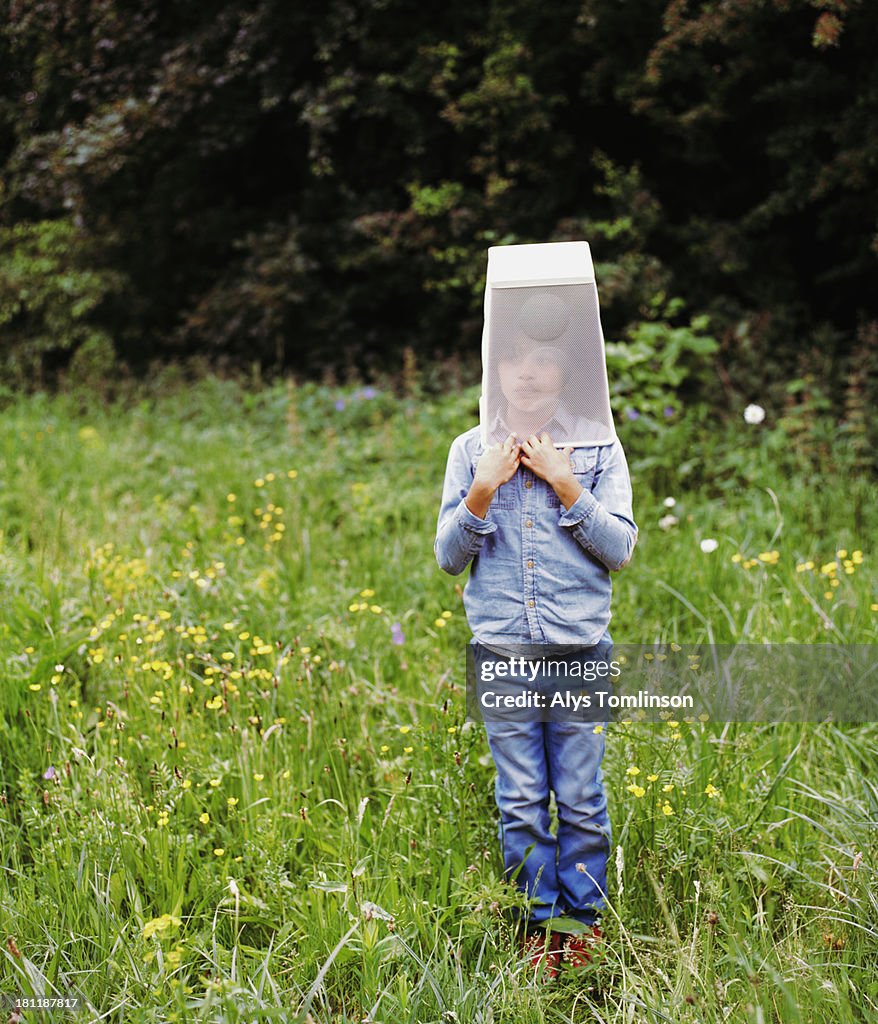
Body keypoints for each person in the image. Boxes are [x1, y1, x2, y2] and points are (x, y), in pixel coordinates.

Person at [434, 361, 638, 980]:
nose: (527, 379)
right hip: (502, 653)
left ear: (563, 376)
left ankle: (583, 926)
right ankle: (538, 923)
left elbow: (621, 548)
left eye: (542, 367)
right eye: (513, 367)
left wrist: (564, 482)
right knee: (520, 798)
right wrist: (483, 489)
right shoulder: (471, 450)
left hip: (579, 653)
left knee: (579, 796)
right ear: (497, 373)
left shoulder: (598, 448)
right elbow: (448, 557)